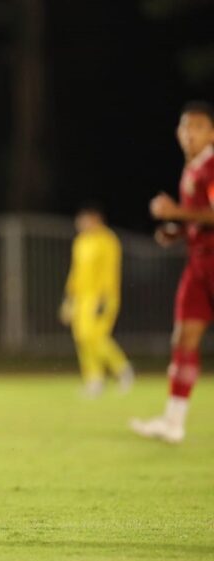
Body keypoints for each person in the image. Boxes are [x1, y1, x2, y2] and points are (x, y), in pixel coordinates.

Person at [131, 100, 214, 444]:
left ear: (211, 133)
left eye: (197, 127)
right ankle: (173, 422)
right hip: (198, 263)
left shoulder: (210, 167)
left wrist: (176, 212)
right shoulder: (192, 167)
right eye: (184, 127)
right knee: (183, 339)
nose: (189, 133)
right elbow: (197, 217)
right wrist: (176, 231)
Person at [59, 203, 133, 397]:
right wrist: (69, 299)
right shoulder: (81, 242)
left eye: (84, 220)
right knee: (82, 338)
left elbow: (110, 271)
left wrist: (103, 298)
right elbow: (75, 272)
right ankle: (94, 379)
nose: (80, 224)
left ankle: (123, 370)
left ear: (95, 220)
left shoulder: (107, 240)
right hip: (82, 298)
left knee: (97, 337)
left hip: (103, 297)